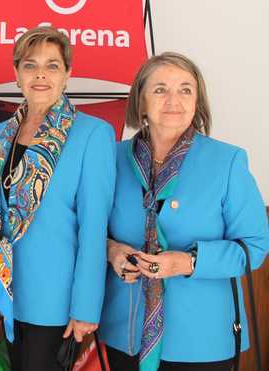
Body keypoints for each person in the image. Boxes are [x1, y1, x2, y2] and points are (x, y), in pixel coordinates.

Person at [99, 52, 269, 371]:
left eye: (185, 89)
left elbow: (254, 247)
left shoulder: (227, 161)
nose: (173, 100)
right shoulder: (111, 158)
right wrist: (113, 252)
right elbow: (92, 229)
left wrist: (187, 262)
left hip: (203, 338)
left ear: (197, 101)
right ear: (141, 101)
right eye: (160, 89)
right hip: (124, 332)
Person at [0, 26, 116, 371]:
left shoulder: (93, 134)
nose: (40, 74)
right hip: (6, 295)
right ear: (16, 74)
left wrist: (85, 306)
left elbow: (93, 227)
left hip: (56, 302)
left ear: (68, 74)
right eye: (30, 65)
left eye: (52, 66)